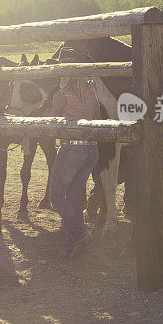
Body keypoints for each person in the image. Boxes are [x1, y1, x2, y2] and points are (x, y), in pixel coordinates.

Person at [49, 75, 101, 258]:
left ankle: (81, 233)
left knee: (55, 195)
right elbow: (98, 117)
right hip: (92, 150)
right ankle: (72, 246)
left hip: (71, 149)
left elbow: (54, 124)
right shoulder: (92, 92)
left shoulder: (61, 95)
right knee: (73, 195)